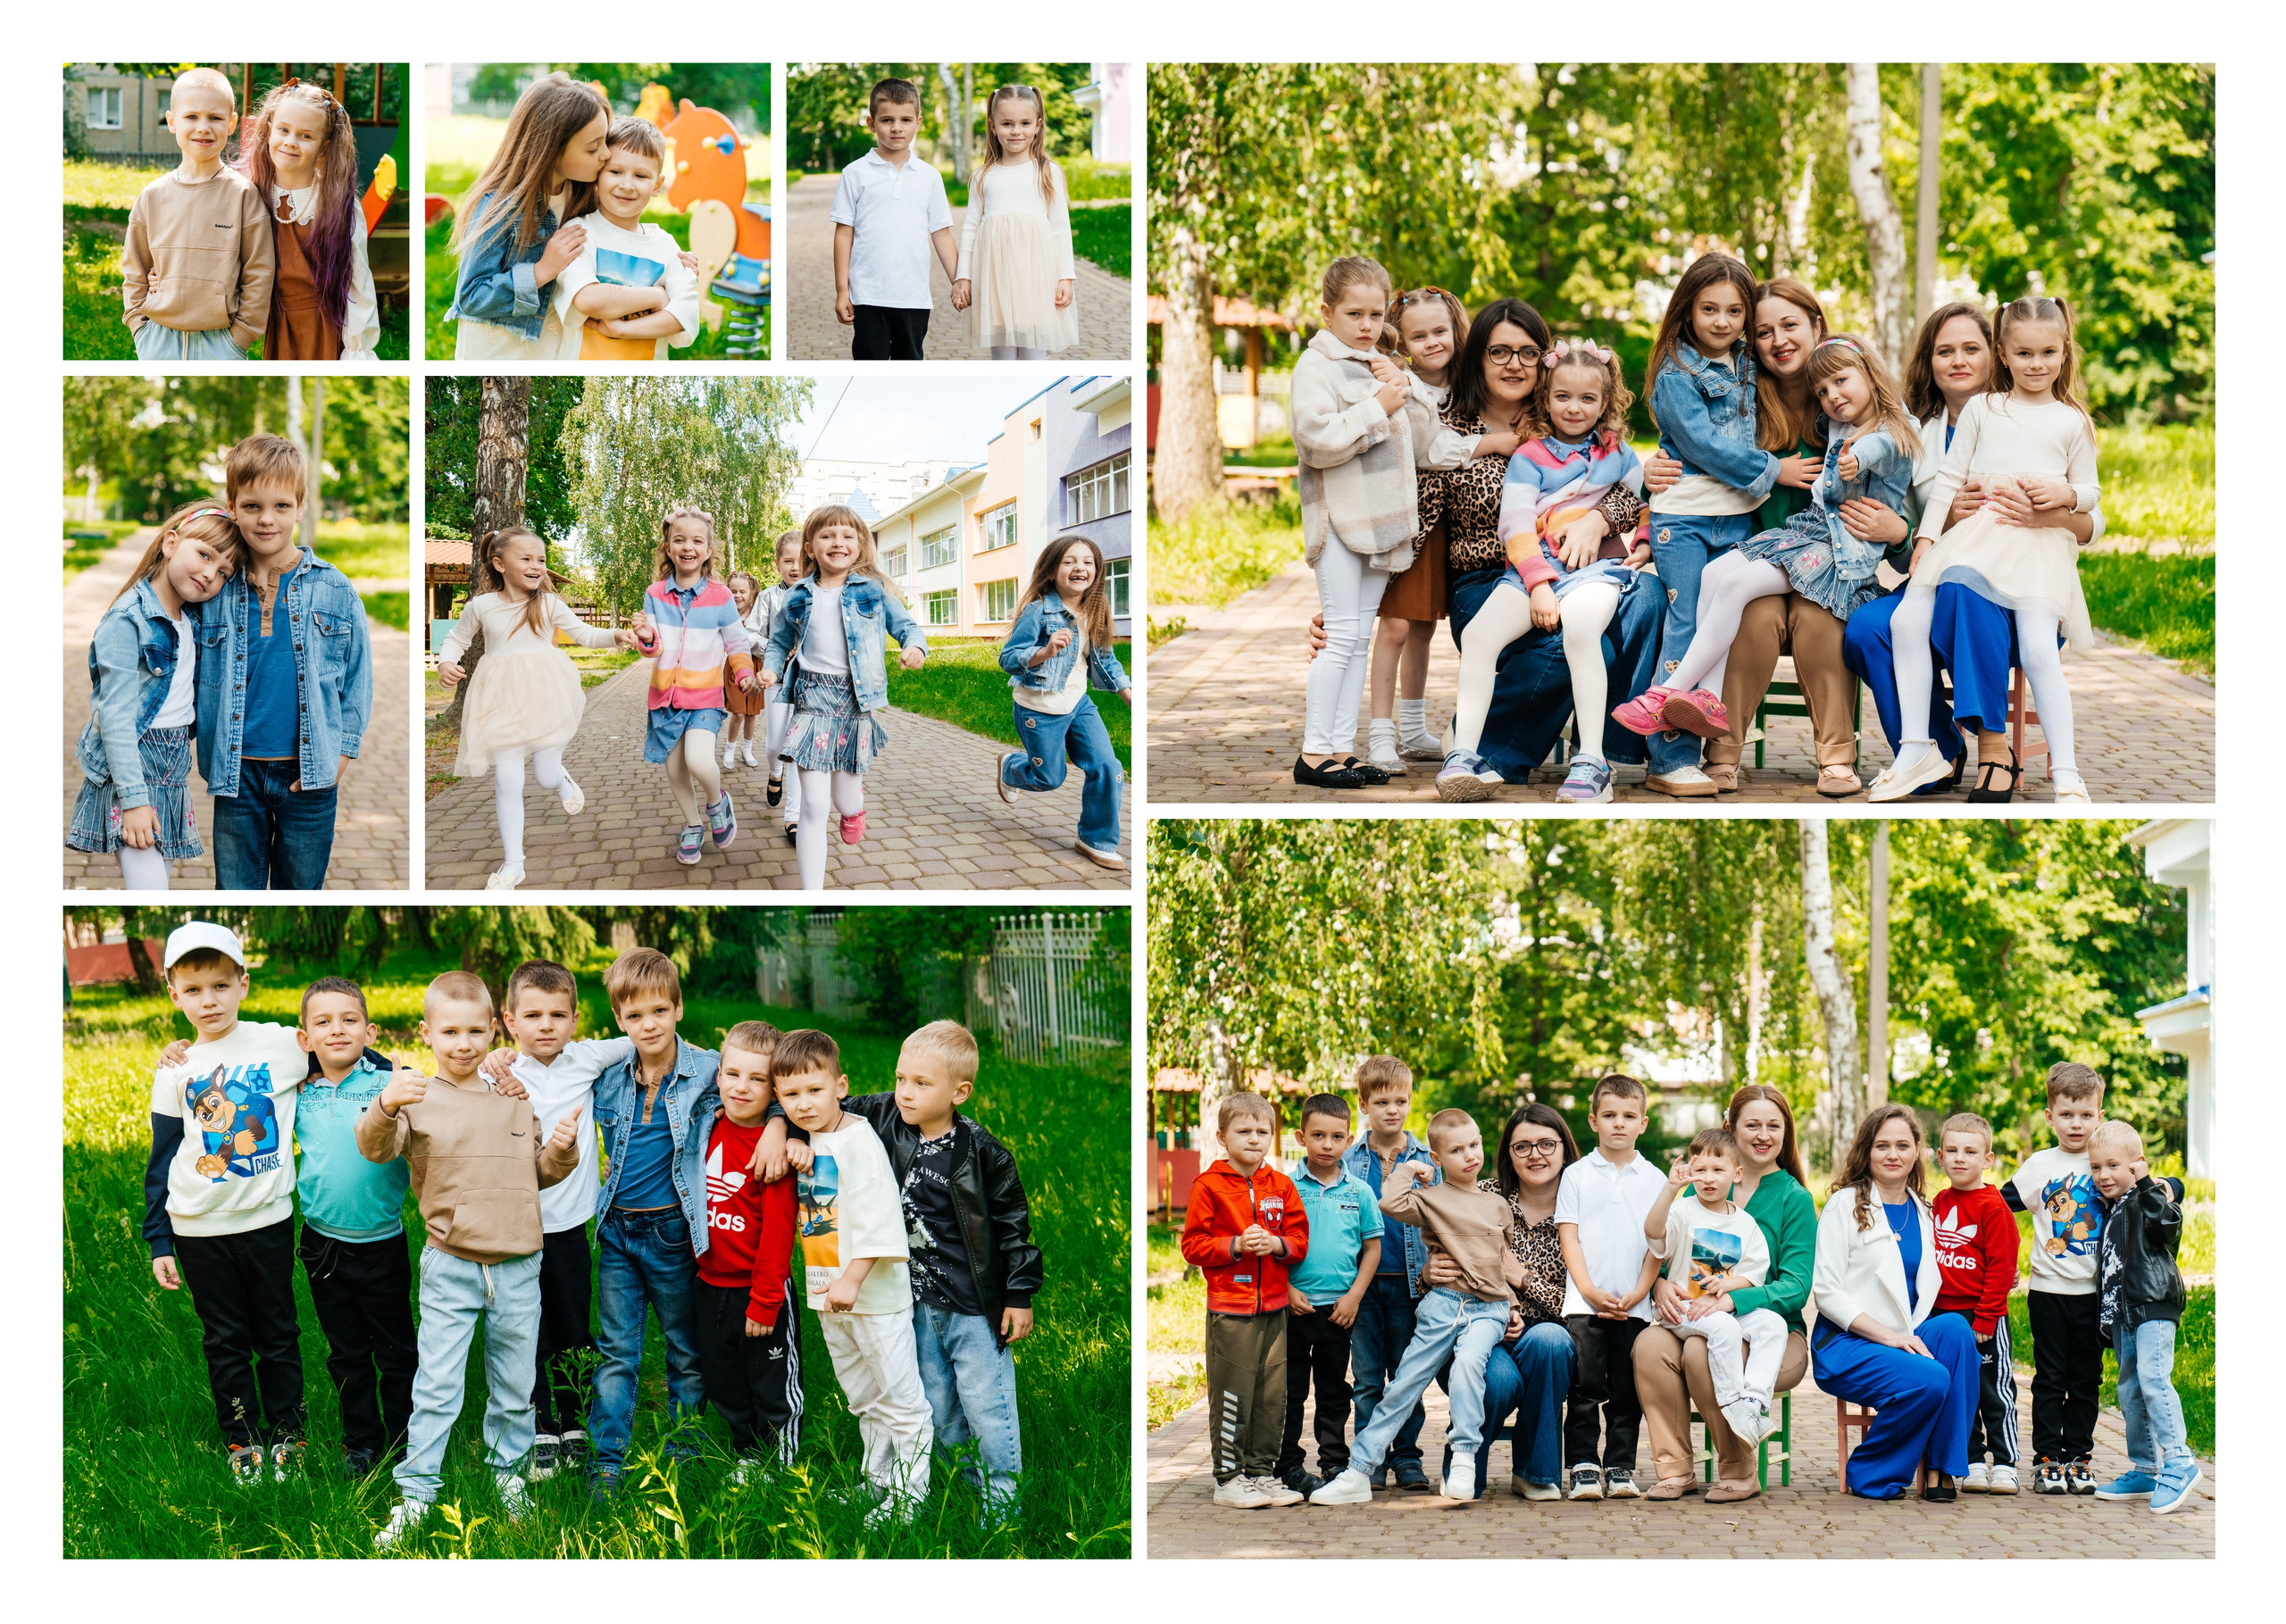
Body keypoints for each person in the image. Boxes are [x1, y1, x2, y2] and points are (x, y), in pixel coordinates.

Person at [769, 1020, 1042, 1522]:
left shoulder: (982, 1153)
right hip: (915, 1300)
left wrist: (1019, 1294)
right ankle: (960, 1489)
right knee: (936, 1402)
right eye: (900, 1079)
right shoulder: (885, 1116)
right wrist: (779, 1130)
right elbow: (811, 1097)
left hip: (972, 1303)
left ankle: (1002, 1506)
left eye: (921, 1083)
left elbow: (1011, 1228)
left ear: (959, 1091)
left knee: (987, 1403)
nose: (905, 1093)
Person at [1841, 304, 2104, 802]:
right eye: (1945, 351)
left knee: (1970, 596)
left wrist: (2059, 507)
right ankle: (1926, 750)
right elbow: (1935, 496)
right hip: (1959, 553)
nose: (1958, 360)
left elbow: (2091, 505)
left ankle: (1996, 750)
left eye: (1970, 348)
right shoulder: (1913, 433)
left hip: (2025, 568)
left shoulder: (2064, 420)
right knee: (1876, 626)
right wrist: (1913, 535)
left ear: (1991, 355)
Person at [1617, 336, 1918, 766]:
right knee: (1713, 575)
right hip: (1802, 535)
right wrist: (1659, 469)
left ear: (1870, 372)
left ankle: (1666, 693)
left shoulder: (1887, 429)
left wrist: (1857, 463)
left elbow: (1882, 443)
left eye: (1840, 382)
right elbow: (1709, 444)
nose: (1832, 396)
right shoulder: (1827, 416)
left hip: (1834, 552)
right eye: (1823, 391)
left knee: (1739, 585)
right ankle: (1707, 698)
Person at [360, 970, 580, 1547]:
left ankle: (508, 1474)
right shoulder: (415, 1095)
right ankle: (417, 1492)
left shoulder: (511, 1099)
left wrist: (560, 1151)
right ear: (427, 1032)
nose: (464, 1043)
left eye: (475, 1030)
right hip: (452, 1263)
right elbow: (374, 1146)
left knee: (515, 1382)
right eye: (450, 1031)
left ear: (492, 1030)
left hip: (517, 1264)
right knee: (437, 1385)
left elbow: (534, 1173)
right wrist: (385, 1102)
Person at [1441, 339, 1648, 804]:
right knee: (1478, 637)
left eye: (1587, 399)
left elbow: (1648, 498)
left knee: (1580, 633)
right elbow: (1514, 524)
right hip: (1533, 570)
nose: (1574, 408)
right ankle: (1465, 755)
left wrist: (1645, 544)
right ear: (1546, 398)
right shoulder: (1529, 456)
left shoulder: (1618, 453)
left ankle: (1592, 761)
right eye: (1563, 397)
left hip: (1596, 569)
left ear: (1605, 403)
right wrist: (1538, 585)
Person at [143, 923, 310, 1483]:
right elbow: (163, 1157)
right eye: (193, 990)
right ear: (173, 993)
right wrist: (159, 1238)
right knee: (226, 1340)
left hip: (267, 1221)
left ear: (243, 982)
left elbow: (350, 1049)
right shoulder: (175, 1068)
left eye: (219, 985)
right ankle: (242, 1440)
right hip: (197, 1228)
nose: (208, 1000)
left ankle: (290, 1434)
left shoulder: (282, 1044)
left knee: (278, 1333)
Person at [475, 960, 633, 1481]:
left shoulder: (587, 1059)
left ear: (575, 1019)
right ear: (510, 1020)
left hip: (569, 1225)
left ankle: (573, 1419)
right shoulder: (493, 1072)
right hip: (518, 1225)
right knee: (526, 1328)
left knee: (571, 1322)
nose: (547, 1026)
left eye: (558, 1015)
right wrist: (493, 1056)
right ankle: (540, 1421)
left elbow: (644, 1038)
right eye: (534, 1015)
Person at [1309, 1109, 1515, 1504]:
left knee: (1470, 1364)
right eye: (1456, 1150)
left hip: (1488, 1310)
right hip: (1441, 1306)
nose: (1470, 1155)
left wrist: (1514, 1304)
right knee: (1402, 1387)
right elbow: (1389, 1202)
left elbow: (1501, 1261)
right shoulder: (1429, 1199)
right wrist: (1412, 1169)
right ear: (1438, 1159)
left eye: (1474, 1145)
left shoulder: (1496, 1205)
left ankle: (1464, 1459)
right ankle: (1358, 1471)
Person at [197, 435, 373, 890]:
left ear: (299, 506)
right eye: (252, 506)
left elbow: (357, 678)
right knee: (234, 892)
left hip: (309, 776)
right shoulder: (214, 590)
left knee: (302, 890)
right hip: (238, 775)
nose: (267, 519)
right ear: (232, 506)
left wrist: (343, 752)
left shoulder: (335, 588)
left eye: (280, 505)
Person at [776, 1028, 936, 1523]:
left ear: (840, 1086)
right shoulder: (813, 1137)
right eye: (791, 1094)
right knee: (863, 1397)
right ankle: (878, 1482)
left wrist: (853, 1279)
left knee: (901, 1400)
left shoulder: (858, 1140)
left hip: (873, 1296)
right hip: (830, 1294)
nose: (804, 1104)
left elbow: (880, 1216)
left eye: (814, 1091)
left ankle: (910, 1498)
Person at [1638, 254, 1781, 797]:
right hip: (1688, 518)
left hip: (1736, 518)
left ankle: (1704, 734)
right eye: (1709, 309)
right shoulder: (1676, 373)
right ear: (1687, 310)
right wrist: (1774, 469)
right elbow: (1705, 445)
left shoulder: (1747, 360)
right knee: (1687, 625)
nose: (1722, 322)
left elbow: (1810, 351)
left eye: (1734, 310)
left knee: (1718, 630)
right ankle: (1668, 757)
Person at [584, 949, 724, 1496]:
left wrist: (781, 1128)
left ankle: (683, 1454)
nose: (649, 1025)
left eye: (660, 1011)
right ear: (619, 1020)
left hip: (672, 1231)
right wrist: (499, 1062)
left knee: (683, 1349)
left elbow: (771, 1083)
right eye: (636, 1016)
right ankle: (607, 1463)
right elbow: (544, 1070)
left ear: (679, 1008)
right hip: (617, 1231)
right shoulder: (609, 1077)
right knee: (617, 1350)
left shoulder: (709, 1068)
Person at [1634, 1084, 1816, 1503]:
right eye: (1752, 1124)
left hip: (1770, 1332)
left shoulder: (1794, 1198)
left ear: (1786, 1133)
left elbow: (1796, 1286)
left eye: (1774, 1125)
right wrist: (1659, 1282)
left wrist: (1732, 1299)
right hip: (1693, 1313)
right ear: (1730, 1127)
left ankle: (1738, 1467)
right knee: (1647, 1345)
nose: (1763, 1134)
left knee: (1701, 1352)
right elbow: (1666, 1249)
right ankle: (1676, 1470)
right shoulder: (1708, 1180)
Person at [1364, 287, 1517, 771]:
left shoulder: (1469, 381)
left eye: (1439, 331)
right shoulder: (1402, 386)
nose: (1432, 342)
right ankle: (1381, 734)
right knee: (1395, 626)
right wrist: (1495, 443)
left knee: (1425, 626)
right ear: (1402, 343)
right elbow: (1430, 452)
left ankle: (1412, 728)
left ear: (1456, 330)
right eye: (1418, 336)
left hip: (1455, 524)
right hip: (1411, 518)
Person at [436, 527, 638, 888]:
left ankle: (561, 780)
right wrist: (446, 663)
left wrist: (615, 636)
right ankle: (514, 863)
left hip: (546, 694)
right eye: (526, 559)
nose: (536, 566)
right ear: (499, 564)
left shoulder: (548, 604)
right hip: (500, 698)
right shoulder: (482, 606)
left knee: (545, 775)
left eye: (541, 560)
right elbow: (455, 639)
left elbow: (584, 635)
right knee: (507, 779)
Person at [1290, 256, 1424, 789]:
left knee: (1358, 639)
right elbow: (1315, 440)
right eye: (1354, 314)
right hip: (1339, 522)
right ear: (1327, 313)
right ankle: (1313, 752)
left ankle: (1341, 749)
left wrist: (1401, 389)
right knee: (1341, 637)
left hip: (1383, 522)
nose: (1367, 325)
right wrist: (1376, 406)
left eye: (1376, 314)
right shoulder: (1316, 368)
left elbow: (1417, 439)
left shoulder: (1381, 365)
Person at [1810, 1103, 1979, 1502]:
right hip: (1846, 1344)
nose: (1893, 1154)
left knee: (1956, 1330)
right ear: (1867, 1151)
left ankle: (1941, 1470)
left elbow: (1934, 1278)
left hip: (1905, 1335)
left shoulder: (1924, 1210)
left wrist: (1999, 1275)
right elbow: (1826, 1292)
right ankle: (1870, 1471)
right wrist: (1888, 1337)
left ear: (1917, 1150)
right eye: (1882, 1145)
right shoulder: (1845, 1205)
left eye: (1903, 1145)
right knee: (1931, 1378)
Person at [280, 979, 413, 1478]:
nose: (337, 1030)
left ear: (369, 1031)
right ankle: (361, 1442)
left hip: (382, 1243)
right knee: (347, 1353)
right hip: (322, 1246)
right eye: (323, 1022)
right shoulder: (296, 1091)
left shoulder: (390, 1086)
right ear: (305, 1038)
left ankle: (405, 1439)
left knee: (397, 1351)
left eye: (349, 1020)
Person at [68, 507, 240, 890]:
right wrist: (133, 801)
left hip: (172, 772)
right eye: (205, 555)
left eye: (224, 571)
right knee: (150, 890)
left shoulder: (191, 619)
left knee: (154, 884)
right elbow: (114, 718)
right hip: (133, 772)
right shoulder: (127, 620)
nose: (212, 574)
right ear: (170, 543)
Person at [761, 505, 930, 890]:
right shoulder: (798, 596)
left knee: (844, 800)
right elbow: (779, 641)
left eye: (847, 536)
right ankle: (810, 893)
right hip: (810, 705)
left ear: (860, 545)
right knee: (813, 805)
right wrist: (772, 668)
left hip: (854, 706)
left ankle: (854, 808)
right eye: (827, 535)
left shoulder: (873, 591)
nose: (838, 542)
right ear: (810, 547)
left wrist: (915, 648)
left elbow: (907, 628)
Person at [1423, 1102, 1577, 1501]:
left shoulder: (1580, 1209)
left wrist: (1521, 1278)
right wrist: (1428, 1274)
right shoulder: (1481, 1195)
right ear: (1507, 1153)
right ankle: (1464, 1465)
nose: (1535, 1155)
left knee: (1551, 1342)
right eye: (1521, 1146)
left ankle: (1535, 1473)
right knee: (1499, 1380)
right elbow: (1441, 1272)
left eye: (1546, 1143)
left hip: (1544, 1337)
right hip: (1476, 1328)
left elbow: (1578, 1305)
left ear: (1564, 1147)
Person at [1180, 1093, 1309, 1508]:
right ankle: (1229, 1478)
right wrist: (1235, 1244)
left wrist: (1276, 1244)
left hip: (1274, 1308)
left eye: (1262, 1131)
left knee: (1272, 1396)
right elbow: (1193, 1246)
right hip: (1230, 1310)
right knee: (1234, 1392)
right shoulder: (1208, 1185)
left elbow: (1300, 1242)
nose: (1255, 1139)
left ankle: (1261, 1474)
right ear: (1222, 1136)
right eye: (1244, 1131)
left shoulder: (1282, 1186)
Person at [694, 1020, 803, 1479]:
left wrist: (765, 1302)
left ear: (773, 1089)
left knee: (771, 1384)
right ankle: (746, 1450)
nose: (742, 1088)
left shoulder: (772, 1152)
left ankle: (782, 1463)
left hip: (760, 1292)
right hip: (708, 1286)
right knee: (724, 1379)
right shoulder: (704, 1128)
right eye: (733, 1074)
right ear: (717, 1074)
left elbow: (778, 1235)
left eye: (758, 1079)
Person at [1555, 1073, 1666, 1498]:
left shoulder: (1655, 1179)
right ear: (1593, 1120)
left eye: (1628, 1116)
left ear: (1643, 1123)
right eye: (1609, 1115)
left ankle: (1620, 1466)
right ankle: (1583, 1465)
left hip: (1634, 1306)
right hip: (1585, 1305)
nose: (1619, 1123)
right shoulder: (1578, 1175)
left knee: (1626, 1390)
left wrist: (1640, 1292)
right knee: (1584, 1389)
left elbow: (1658, 1244)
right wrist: (1587, 1289)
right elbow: (1569, 1234)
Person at [1998, 1061, 2108, 1495]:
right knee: (2050, 1378)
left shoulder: (2107, 1161)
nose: (2076, 1124)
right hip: (2047, 1292)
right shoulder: (2039, 1165)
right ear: (2050, 1116)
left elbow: (2146, 1189)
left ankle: (2079, 1458)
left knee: (2086, 1379)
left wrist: (2170, 1185)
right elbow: (1997, 1206)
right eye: (2066, 1114)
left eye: (2085, 1114)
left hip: (2095, 1295)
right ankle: (2046, 1459)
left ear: (2100, 1114)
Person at [1641, 1128, 1790, 1448]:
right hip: (1684, 1309)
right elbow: (1653, 1232)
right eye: (1700, 1171)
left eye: (1718, 1170)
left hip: (1721, 1307)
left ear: (1736, 1174)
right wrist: (1670, 1190)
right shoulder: (1683, 1211)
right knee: (1724, 1328)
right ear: (1690, 1174)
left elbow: (1754, 1273)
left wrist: (1726, 1283)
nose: (1709, 1178)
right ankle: (1733, 1404)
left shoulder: (1745, 1223)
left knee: (1774, 1324)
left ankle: (1753, 1402)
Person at [446, 73, 611, 360]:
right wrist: (542, 271)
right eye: (593, 148)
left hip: (553, 353)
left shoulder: (584, 199)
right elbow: (471, 296)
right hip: (497, 356)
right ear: (551, 150)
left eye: (605, 141)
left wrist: (668, 261)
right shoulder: (501, 207)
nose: (606, 154)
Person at [630, 508, 760, 869]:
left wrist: (744, 674)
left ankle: (718, 802)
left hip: (704, 698)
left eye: (697, 541)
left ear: (708, 551)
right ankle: (692, 825)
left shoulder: (720, 597)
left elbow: (737, 645)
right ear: (668, 548)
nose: (688, 546)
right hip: (665, 699)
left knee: (699, 760)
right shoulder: (655, 594)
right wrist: (644, 637)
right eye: (679, 540)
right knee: (674, 771)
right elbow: (652, 648)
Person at [995, 535, 1132, 870]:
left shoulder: (1095, 612)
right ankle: (1012, 767)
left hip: (1078, 705)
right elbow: (1008, 658)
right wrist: (1045, 652)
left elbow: (1105, 659)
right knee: (1049, 779)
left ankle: (1095, 839)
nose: (1079, 568)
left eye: (1087, 562)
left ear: (1097, 572)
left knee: (1109, 768)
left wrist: (1130, 696)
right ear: (1053, 570)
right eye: (1069, 561)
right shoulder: (1038, 611)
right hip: (1039, 708)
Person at [121, 67, 273, 360]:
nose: (203, 127)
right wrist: (138, 327)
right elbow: (134, 268)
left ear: (231, 124)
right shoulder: (152, 196)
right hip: (157, 338)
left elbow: (260, 270)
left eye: (214, 118)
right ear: (172, 122)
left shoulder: (243, 195)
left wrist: (242, 336)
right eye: (192, 117)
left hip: (222, 343)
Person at [2087, 1121, 2199, 1513]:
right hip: (2124, 1314)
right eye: (2096, 1167)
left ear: (2135, 1166)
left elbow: (2167, 1226)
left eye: (2113, 1166)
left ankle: (2180, 1461)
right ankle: (2146, 1467)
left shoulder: (2144, 1198)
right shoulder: (2113, 1205)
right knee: (2130, 1389)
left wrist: (2151, 1182)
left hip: (2152, 1305)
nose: (2103, 1175)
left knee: (2153, 1379)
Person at [1341, 1055, 1439, 1491]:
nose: (1393, 1110)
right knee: (1366, 1378)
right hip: (1361, 1286)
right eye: (1382, 1101)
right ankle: (1370, 1458)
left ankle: (1408, 1458)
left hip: (1410, 1285)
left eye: (1401, 1101)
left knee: (1406, 1375)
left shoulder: (1428, 1159)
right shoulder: (1347, 1160)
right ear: (1364, 1103)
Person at [1275, 1093, 1381, 1496]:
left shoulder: (1359, 1192)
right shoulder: (1283, 1190)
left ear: (1349, 1140)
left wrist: (1354, 1296)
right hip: (1295, 1308)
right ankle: (1287, 1464)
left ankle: (1335, 1462)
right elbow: (1271, 1247)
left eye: (1337, 1137)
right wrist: (1285, 1290)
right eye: (1317, 1135)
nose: (1326, 1144)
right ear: (1301, 1137)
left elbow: (1371, 1247)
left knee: (1335, 1388)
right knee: (1291, 1389)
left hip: (1340, 1309)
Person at [235, 79, 377, 360]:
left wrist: (357, 348)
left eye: (305, 136)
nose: (290, 142)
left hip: (320, 326)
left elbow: (357, 281)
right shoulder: (249, 194)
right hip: (266, 322)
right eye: (284, 130)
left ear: (324, 146)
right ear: (269, 129)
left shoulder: (336, 204)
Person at [551, 116, 701, 360]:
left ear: (657, 185)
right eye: (616, 171)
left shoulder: (666, 247)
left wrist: (623, 329)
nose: (627, 185)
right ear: (598, 175)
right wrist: (657, 296)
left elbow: (684, 315)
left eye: (641, 176)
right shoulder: (580, 233)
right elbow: (588, 299)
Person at [833, 78, 957, 360]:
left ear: (918, 123)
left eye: (905, 119)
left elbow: (941, 233)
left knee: (910, 362)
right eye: (887, 119)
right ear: (871, 123)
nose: (897, 127)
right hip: (867, 295)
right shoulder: (855, 173)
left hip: (913, 297)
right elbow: (843, 233)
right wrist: (843, 291)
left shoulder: (929, 177)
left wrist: (959, 280)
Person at [1930, 1112, 2022, 1493]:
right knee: (1959, 1391)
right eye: (1952, 1150)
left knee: (1993, 1390)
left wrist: (1986, 1319)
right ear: (1939, 1156)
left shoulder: (1993, 1206)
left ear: (1988, 1159)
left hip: (1982, 1317)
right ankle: (1971, 1459)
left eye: (1970, 1151)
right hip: (1943, 1315)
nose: (1960, 1158)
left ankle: (2005, 1464)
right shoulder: (1939, 1201)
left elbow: (2003, 1266)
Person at [951, 84, 1077, 359]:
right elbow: (971, 227)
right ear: (993, 126)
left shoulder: (1048, 172)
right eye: (1007, 123)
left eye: (1025, 123)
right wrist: (963, 277)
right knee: (1003, 355)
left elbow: (1059, 228)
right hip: (995, 279)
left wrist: (1065, 276)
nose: (1016, 131)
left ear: (1038, 126)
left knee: (1034, 352)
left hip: (1037, 277)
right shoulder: (983, 176)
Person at [753, 533, 805, 840]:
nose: (795, 567)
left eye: (800, 560)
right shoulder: (769, 598)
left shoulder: (816, 594)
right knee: (775, 746)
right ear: (777, 563)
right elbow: (750, 634)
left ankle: (793, 818)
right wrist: (773, 648)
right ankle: (775, 773)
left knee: (796, 750)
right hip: (775, 681)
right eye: (788, 561)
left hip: (807, 684)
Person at [722, 571, 767, 772]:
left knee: (751, 714)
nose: (737, 595)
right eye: (732, 591)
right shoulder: (727, 615)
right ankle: (730, 749)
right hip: (734, 667)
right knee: (739, 712)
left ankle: (747, 750)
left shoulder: (759, 614)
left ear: (752, 592)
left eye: (742, 591)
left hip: (757, 665)